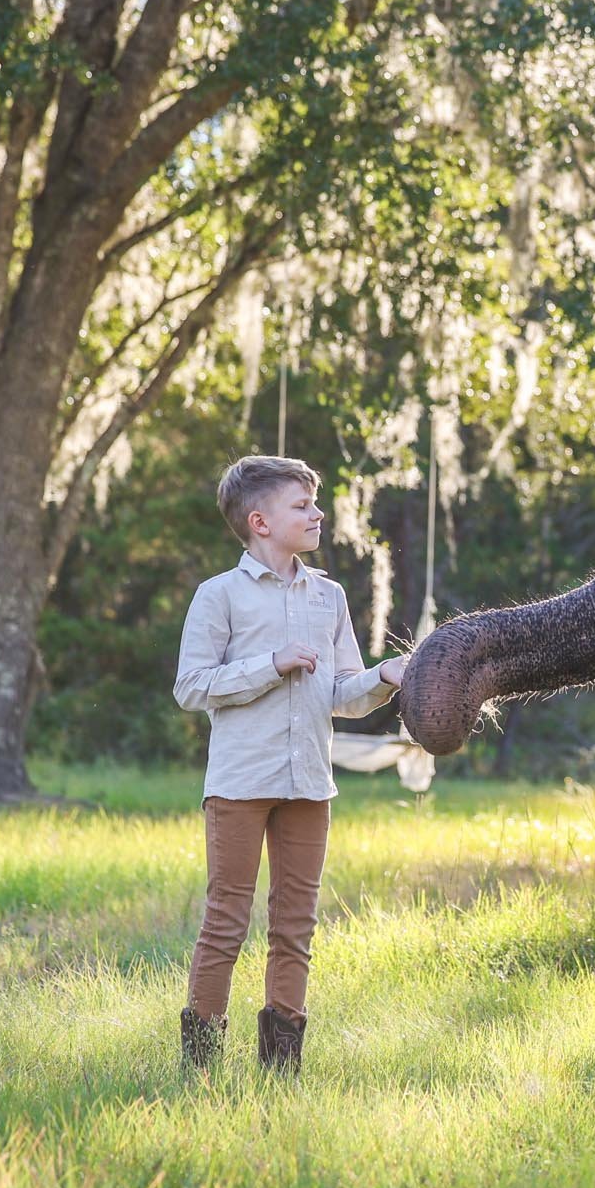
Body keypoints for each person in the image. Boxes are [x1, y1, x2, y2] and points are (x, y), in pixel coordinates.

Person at [171, 454, 402, 1074]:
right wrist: (270, 665)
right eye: (302, 505)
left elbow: (342, 695)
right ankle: (201, 1069)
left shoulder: (327, 596)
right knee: (226, 922)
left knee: (295, 927)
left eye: (313, 503)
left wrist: (386, 677)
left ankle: (281, 1072)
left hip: (309, 786)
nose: (317, 513)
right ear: (260, 521)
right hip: (240, 784)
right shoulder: (218, 595)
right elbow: (191, 686)